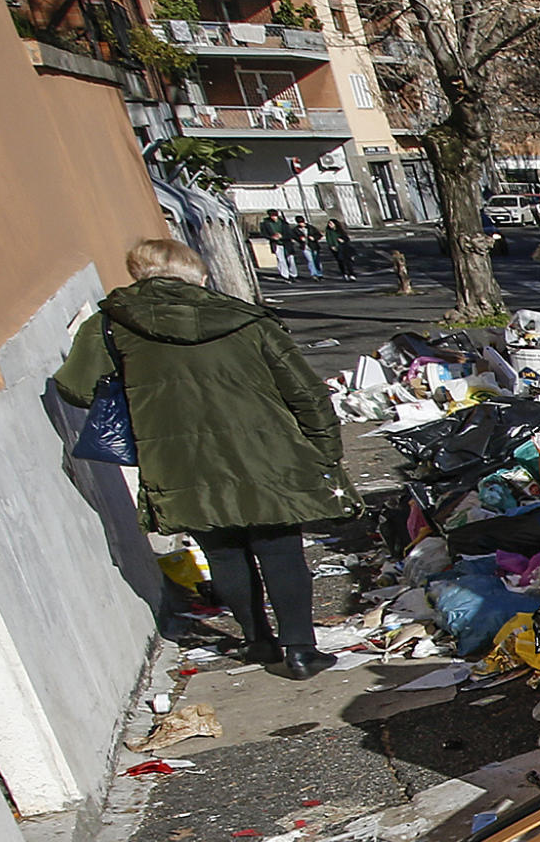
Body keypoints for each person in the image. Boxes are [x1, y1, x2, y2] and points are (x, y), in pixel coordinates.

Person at [51, 238, 354, 679]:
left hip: (179, 459)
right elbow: (305, 392)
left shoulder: (110, 325)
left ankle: (258, 642)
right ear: (198, 275)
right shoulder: (246, 319)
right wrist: (326, 453)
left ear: (139, 274)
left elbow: (74, 388)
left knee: (223, 552)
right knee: (280, 551)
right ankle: (301, 650)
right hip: (267, 453)